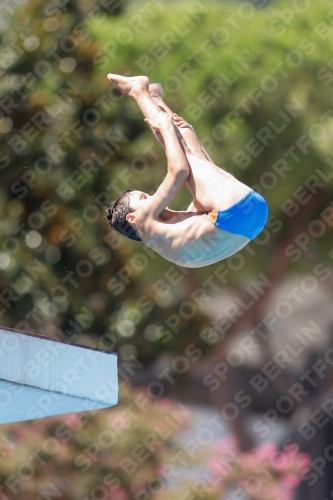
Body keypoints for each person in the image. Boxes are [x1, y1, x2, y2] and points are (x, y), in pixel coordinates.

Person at [105, 74, 268, 268]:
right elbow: (179, 170)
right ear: (132, 218)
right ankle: (138, 90)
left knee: (190, 154)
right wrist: (166, 128)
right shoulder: (143, 223)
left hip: (251, 218)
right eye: (142, 199)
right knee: (181, 152)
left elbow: (202, 169)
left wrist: (190, 135)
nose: (151, 198)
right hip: (235, 212)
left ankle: (154, 99)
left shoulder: (174, 230)